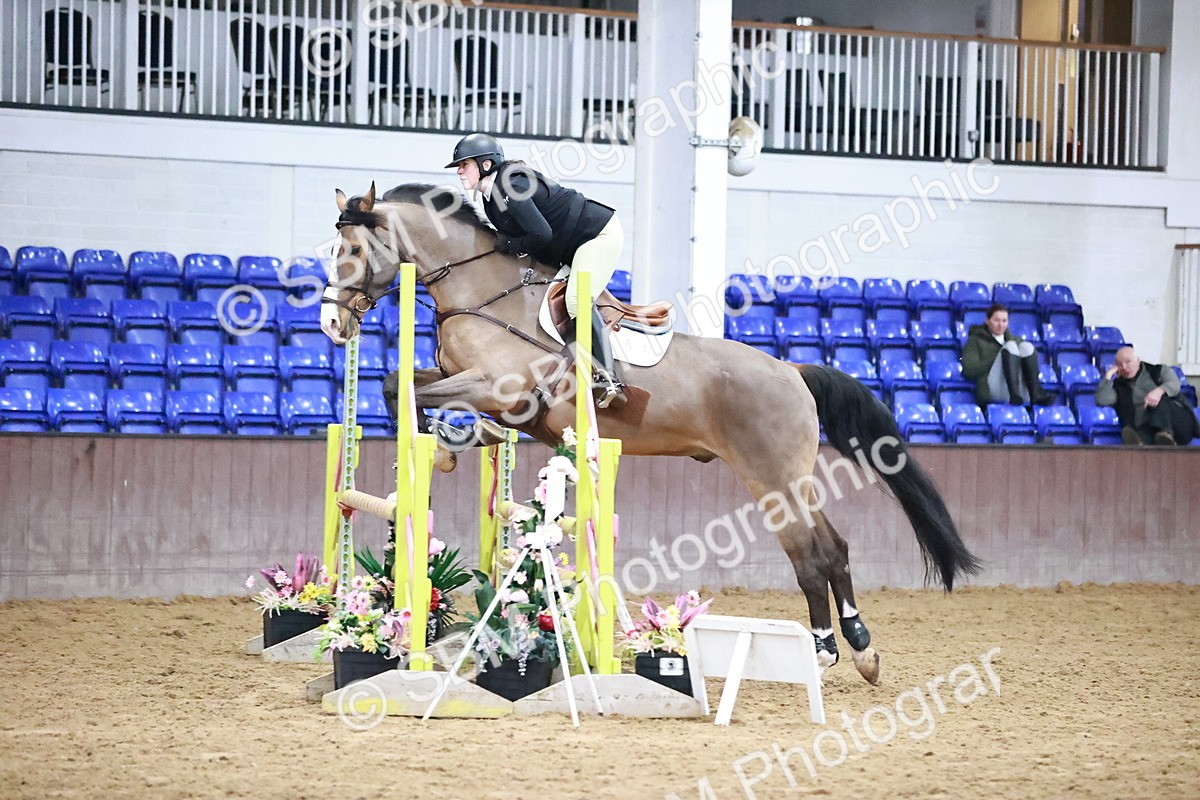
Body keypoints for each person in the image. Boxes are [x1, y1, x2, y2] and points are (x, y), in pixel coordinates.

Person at [445, 132, 626, 408]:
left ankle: (608, 378)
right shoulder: (490, 197)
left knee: (576, 301)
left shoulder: (511, 185)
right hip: (568, 248)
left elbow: (540, 234)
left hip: (596, 236)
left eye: (464, 164)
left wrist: (509, 244)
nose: (459, 171)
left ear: (485, 165)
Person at [1095, 346, 1198, 445]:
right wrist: (1107, 377)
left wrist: (1159, 390)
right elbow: (1103, 400)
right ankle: (1142, 441)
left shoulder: (1158, 370)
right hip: (1149, 428)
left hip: (1179, 425)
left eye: (1128, 361)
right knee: (1135, 427)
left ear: (1138, 360)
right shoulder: (1118, 385)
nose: (1125, 367)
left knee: (1160, 400)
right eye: (1120, 364)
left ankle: (1165, 433)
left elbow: (1175, 384)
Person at [960, 303, 1054, 407]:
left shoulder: (1014, 339)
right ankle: (1014, 395)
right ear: (987, 321)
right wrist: (998, 356)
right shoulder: (975, 340)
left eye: (1004, 321)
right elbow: (968, 370)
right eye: (996, 320)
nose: (1000, 325)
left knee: (1026, 346)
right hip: (992, 388)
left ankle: (1035, 394)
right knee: (1010, 347)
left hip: (1020, 390)